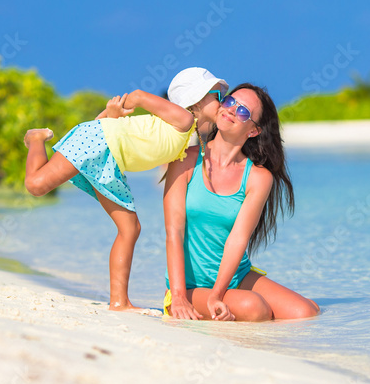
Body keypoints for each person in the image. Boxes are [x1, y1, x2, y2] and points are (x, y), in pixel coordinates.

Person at [23, 67, 227, 311]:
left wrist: (106, 118)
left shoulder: (186, 132)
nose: (223, 102)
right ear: (198, 98)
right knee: (36, 185)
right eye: (218, 96)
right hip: (97, 142)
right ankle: (35, 138)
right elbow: (140, 96)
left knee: (130, 228)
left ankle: (119, 301)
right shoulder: (183, 119)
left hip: (107, 154)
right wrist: (115, 111)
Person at [163, 83, 319, 321]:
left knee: (306, 312)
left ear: (254, 131)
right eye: (229, 102)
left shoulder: (258, 176)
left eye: (243, 111)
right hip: (188, 286)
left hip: (235, 275)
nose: (231, 110)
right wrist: (178, 297)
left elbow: (238, 240)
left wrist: (217, 294)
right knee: (255, 308)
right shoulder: (184, 159)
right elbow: (174, 231)